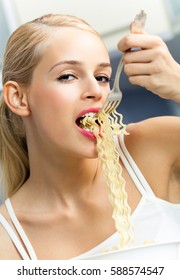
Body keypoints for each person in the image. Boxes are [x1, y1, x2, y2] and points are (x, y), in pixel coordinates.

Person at [0, 13, 179, 260]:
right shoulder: (8, 243)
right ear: (19, 98)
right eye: (68, 76)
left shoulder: (153, 149)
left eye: (102, 77)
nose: (95, 90)